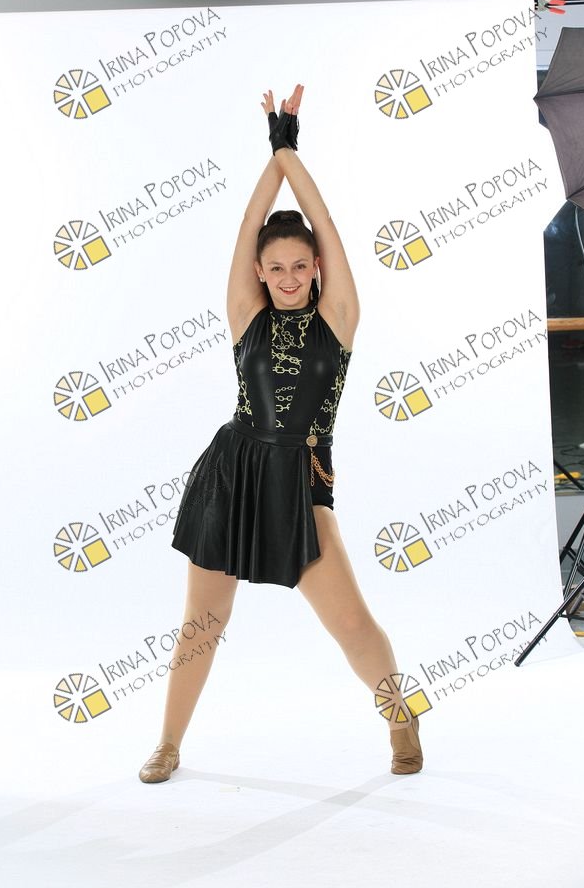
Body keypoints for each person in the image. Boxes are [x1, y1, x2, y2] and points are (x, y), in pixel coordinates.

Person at [138, 83, 423, 782]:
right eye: (276, 268)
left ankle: (399, 716)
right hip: (231, 472)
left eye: (300, 265)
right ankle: (169, 742)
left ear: (316, 267)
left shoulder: (337, 318)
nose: (289, 277)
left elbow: (323, 223)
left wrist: (289, 149)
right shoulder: (246, 313)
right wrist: (275, 153)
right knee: (201, 626)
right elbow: (248, 225)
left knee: (350, 622)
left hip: (300, 478)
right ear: (259, 274)